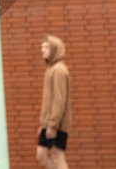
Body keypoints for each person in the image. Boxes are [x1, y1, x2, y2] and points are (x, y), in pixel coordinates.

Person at [37, 35, 71, 169]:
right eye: (42, 47)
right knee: (41, 155)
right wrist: (43, 124)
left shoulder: (59, 70)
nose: (42, 50)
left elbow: (59, 100)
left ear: (55, 49)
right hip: (48, 122)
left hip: (57, 124)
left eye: (46, 47)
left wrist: (52, 124)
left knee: (57, 157)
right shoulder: (50, 69)